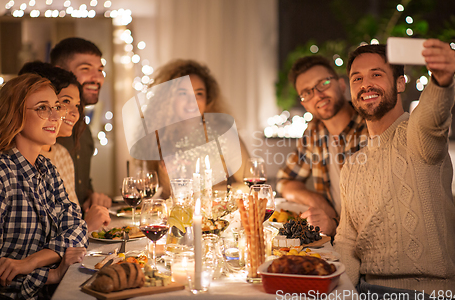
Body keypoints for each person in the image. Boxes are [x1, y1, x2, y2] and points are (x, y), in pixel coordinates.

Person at [334, 40, 455, 300]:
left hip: (424, 294)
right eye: (357, 78)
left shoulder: (418, 135)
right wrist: (342, 295)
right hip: (364, 291)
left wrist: (442, 80)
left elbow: (433, 115)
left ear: (401, 83)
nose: (365, 84)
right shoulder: (351, 165)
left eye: (376, 75)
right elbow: (347, 241)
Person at [0, 74, 88, 300]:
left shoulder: (47, 169)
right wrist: (50, 275)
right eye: (43, 108)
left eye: (56, 107)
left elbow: (78, 228)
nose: (56, 117)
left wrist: (31, 262)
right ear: (14, 115)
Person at [276, 55, 368, 236]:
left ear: (342, 85)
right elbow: (285, 181)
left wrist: (334, 224)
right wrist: (317, 201)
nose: (318, 95)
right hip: (334, 241)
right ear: (305, 104)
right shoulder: (314, 132)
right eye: (307, 92)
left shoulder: (369, 126)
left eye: (323, 83)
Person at [18, 61, 111, 232]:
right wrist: (86, 227)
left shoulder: (59, 156)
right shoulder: (4, 168)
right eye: (64, 102)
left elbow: (71, 219)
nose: (74, 113)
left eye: (76, 105)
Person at [139, 59, 250, 198]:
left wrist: (205, 194)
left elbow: (249, 186)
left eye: (199, 94)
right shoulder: (160, 138)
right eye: (183, 93)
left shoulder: (224, 134)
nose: (192, 101)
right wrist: (165, 173)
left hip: (221, 217)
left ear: (207, 99)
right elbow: (166, 196)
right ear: (169, 99)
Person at [50, 37, 111, 211]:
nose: (97, 78)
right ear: (60, 72)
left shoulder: (84, 128)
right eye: (85, 69)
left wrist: (92, 196)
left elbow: (81, 183)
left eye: (100, 70)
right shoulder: (47, 129)